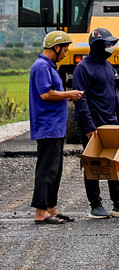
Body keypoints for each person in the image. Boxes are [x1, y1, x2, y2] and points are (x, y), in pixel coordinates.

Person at [72, 28, 119, 219]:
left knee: (116, 163)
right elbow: (81, 99)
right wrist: (88, 126)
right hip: (93, 127)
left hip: (111, 124)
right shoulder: (83, 68)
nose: (111, 47)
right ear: (96, 45)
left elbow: (114, 96)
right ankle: (95, 205)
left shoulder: (108, 66)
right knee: (92, 165)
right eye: (107, 44)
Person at [29, 31, 83, 224]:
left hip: (55, 127)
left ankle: (50, 207)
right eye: (65, 49)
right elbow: (46, 94)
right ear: (56, 48)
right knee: (46, 169)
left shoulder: (50, 67)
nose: (66, 52)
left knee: (55, 169)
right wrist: (70, 94)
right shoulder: (42, 66)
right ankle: (40, 212)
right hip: (47, 126)